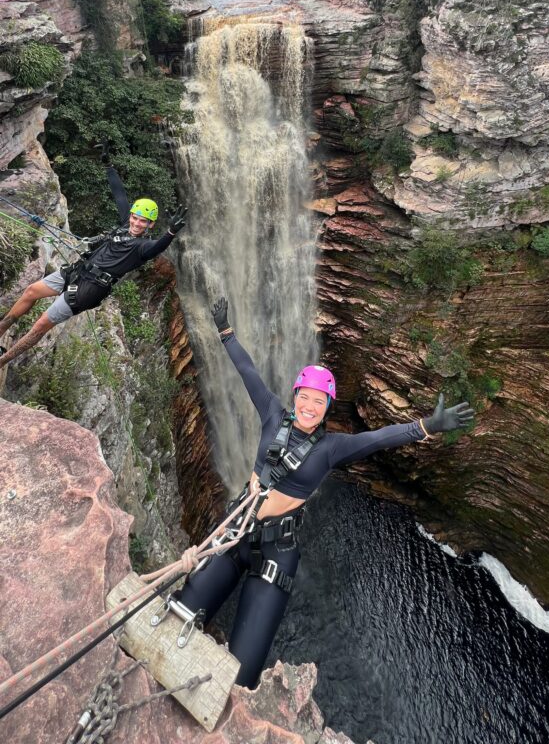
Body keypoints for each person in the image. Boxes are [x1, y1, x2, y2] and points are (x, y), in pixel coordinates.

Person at [175, 297, 474, 689]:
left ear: (327, 407)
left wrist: (425, 426)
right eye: (305, 397)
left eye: (320, 401)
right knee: (178, 611)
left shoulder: (331, 448)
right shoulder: (271, 413)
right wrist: (226, 331)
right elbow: (247, 372)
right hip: (236, 530)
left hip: (276, 552)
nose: (310, 406)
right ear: (295, 397)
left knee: (242, 675)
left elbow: (377, 439)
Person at [0, 164, 187, 367]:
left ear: (150, 224)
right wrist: (108, 167)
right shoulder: (126, 225)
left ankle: (2, 361)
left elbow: (157, 247)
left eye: (143, 221)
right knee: (30, 291)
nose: (136, 223)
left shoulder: (143, 247)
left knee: (41, 324)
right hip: (78, 272)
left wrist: (170, 233)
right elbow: (120, 196)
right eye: (134, 218)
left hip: (90, 290)